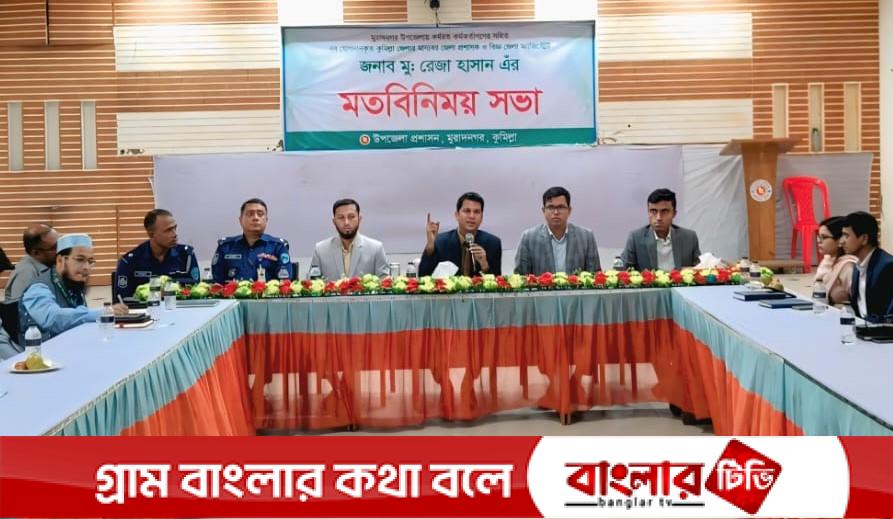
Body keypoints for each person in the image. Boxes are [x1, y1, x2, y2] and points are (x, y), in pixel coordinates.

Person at [19, 234, 128, 343]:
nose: (86, 267)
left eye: (90, 261)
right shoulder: (39, 288)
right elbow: (53, 319)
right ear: (60, 260)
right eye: (80, 260)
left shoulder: (73, 283)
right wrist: (103, 312)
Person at [514, 186, 600, 275]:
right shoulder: (528, 238)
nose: (556, 212)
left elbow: (595, 275)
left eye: (561, 207)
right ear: (543, 210)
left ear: (569, 210)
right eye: (550, 207)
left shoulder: (586, 237)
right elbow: (520, 276)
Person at [115, 209, 200, 298]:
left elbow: (196, 294)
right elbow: (122, 299)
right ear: (151, 234)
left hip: (178, 306)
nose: (175, 234)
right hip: (145, 306)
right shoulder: (129, 261)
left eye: (175, 228)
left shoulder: (186, 256)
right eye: (168, 230)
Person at [419, 192, 502, 277]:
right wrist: (430, 248)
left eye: (476, 212)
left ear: (481, 218)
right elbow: (423, 277)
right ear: (457, 215)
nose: (472, 216)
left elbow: (499, 282)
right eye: (467, 211)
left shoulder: (493, 244)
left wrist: (485, 267)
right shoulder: (441, 242)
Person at [212, 198, 293, 283]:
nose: (255, 218)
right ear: (240, 220)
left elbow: (284, 282)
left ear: (266, 220)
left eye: (260, 214)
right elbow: (217, 283)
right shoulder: (226, 247)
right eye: (250, 214)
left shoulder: (278, 246)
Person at [620, 188, 700, 271]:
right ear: (648, 213)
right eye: (653, 211)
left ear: (674, 213)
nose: (658, 218)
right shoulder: (635, 238)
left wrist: (691, 270)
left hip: (680, 280)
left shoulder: (689, 237)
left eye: (664, 211)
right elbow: (623, 271)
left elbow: (701, 270)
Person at [310, 199, 388, 279]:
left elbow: (385, 283)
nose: (346, 222)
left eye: (351, 217)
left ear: (359, 219)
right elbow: (313, 284)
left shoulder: (376, 249)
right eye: (341, 217)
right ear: (334, 222)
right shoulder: (320, 250)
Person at [841, 211, 893, 320]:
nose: (842, 242)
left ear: (864, 238)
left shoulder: (887, 266)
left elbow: (889, 316)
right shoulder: (858, 266)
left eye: (846, 236)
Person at [4, 223, 58, 303]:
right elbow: (21, 308)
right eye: (54, 247)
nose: (60, 250)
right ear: (36, 253)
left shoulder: (49, 265)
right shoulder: (25, 273)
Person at [813, 216, 858, 305]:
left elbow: (861, 301)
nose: (819, 241)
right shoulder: (827, 261)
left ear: (840, 240)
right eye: (818, 237)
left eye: (824, 237)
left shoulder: (848, 266)